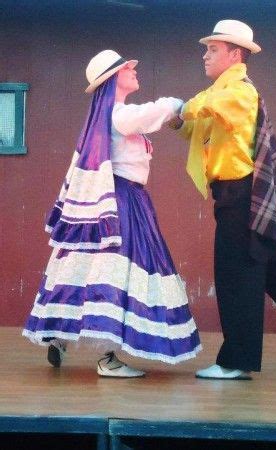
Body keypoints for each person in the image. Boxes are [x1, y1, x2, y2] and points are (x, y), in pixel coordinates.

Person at [171, 20, 276, 380]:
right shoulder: (224, 93)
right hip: (234, 194)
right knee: (273, 265)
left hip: (240, 193)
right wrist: (176, 121)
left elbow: (205, 106)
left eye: (213, 49)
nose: (205, 55)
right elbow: (200, 126)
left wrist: (179, 106)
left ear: (235, 54)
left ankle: (237, 361)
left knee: (236, 273)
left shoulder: (237, 91)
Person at [23, 49, 201, 377]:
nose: (133, 69)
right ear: (113, 79)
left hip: (108, 198)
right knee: (118, 272)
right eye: (126, 68)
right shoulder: (118, 115)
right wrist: (182, 105)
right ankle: (108, 357)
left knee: (86, 267)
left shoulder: (108, 117)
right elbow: (156, 110)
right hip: (122, 202)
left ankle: (60, 335)